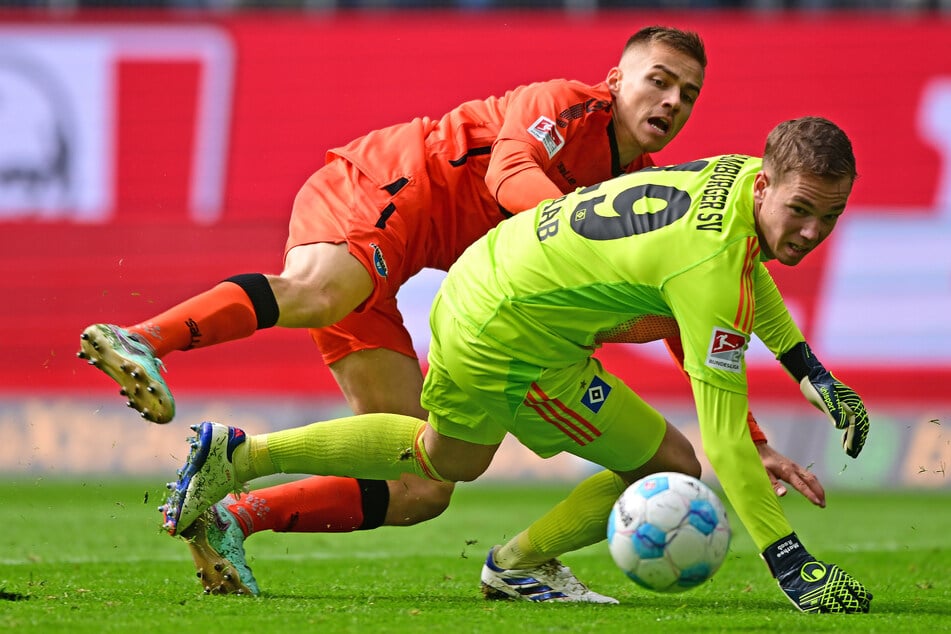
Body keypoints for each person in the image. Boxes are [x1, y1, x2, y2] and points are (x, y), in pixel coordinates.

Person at [80, 26, 821, 596]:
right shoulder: (563, 104)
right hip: (384, 187)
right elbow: (508, 173)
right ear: (615, 78)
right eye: (657, 82)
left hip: (413, 267)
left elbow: (685, 315)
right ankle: (143, 336)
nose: (669, 103)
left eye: (686, 95)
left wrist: (748, 435)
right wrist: (586, 239)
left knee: (425, 483)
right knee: (322, 290)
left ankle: (235, 508)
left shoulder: (647, 188)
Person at [159, 116, 872, 612]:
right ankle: (517, 566)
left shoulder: (738, 176)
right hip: (512, 333)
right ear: (766, 186)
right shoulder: (710, 269)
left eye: (829, 219)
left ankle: (238, 456)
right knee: (650, 465)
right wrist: (788, 561)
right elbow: (722, 435)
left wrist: (806, 366)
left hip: (492, 286)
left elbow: (753, 266)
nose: (809, 233)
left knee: (452, 457)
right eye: (801, 211)